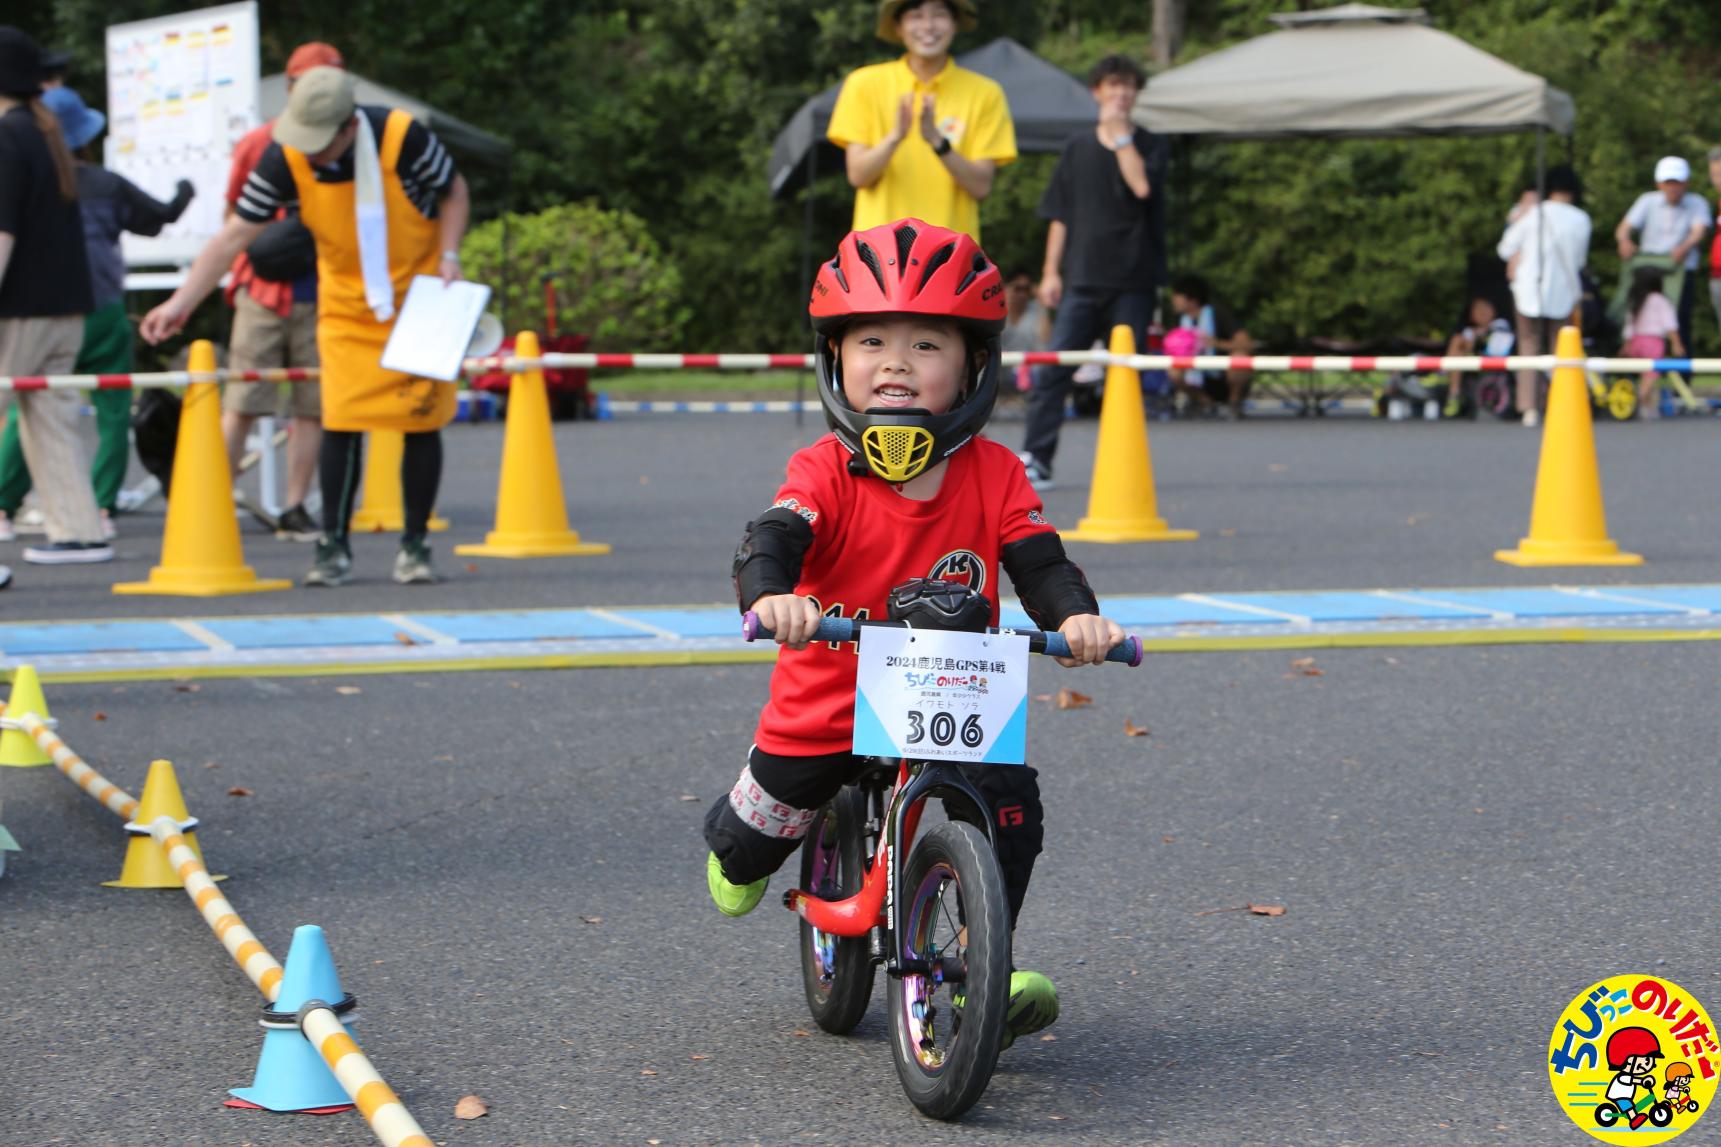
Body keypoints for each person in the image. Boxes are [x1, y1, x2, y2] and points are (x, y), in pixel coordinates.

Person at [703, 219, 1125, 1050]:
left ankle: (980, 967)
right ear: (836, 360)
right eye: (870, 341)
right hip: (827, 691)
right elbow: (775, 535)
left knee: (1011, 808)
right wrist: (773, 596)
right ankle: (738, 843)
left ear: (971, 365)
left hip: (953, 688)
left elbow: (1038, 561)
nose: (895, 362)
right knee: (752, 839)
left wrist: (1073, 615)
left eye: (925, 343)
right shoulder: (824, 466)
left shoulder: (995, 472)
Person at [141, 67, 470, 586]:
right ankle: (332, 547)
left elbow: (453, 191)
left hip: (420, 296)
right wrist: (181, 302)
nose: (311, 152)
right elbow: (233, 237)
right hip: (342, 303)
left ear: (348, 127)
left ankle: (415, 545)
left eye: (321, 143)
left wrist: (450, 255)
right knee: (339, 420)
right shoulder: (285, 155)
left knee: (420, 421)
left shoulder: (403, 137)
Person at [0, 86, 191, 544]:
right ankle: (100, 507)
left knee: (22, 408)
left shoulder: (28, 175)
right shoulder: (103, 182)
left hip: (36, 309)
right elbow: (159, 215)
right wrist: (186, 189)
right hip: (98, 308)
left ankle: (5, 502)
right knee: (107, 410)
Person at [1020, 54, 1166, 485]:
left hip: (1134, 281)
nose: (1121, 94)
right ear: (1096, 92)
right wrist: (1051, 271)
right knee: (1053, 370)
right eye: (1113, 85)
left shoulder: (1153, 143)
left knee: (1125, 377)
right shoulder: (1077, 147)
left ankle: (1124, 467)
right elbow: (1060, 214)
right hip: (1082, 279)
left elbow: (1141, 186)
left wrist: (1122, 139)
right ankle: (1038, 458)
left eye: (1129, 87)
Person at [0, 27, 114, 575]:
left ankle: (74, 530)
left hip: (20, 309)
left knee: (37, 417)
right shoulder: (46, 135)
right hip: (67, 306)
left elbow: (1, 232)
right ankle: (79, 530)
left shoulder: (6, 137)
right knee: (50, 419)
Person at [220, 41, 343, 542]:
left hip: (325, 289)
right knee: (244, 397)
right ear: (290, 87)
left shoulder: (351, 141)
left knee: (313, 404)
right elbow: (232, 212)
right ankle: (215, 497)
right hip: (264, 289)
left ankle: (295, 504)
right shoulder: (260, 143)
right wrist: (247, 262)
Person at [827, 0, 1016, 238]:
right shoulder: (863, 84)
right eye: (916, 16)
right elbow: (858, 175)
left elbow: (980, 186)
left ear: (955, 23)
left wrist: (937, 141)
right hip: (876, 252)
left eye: (939, 15)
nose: (928, 26)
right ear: (898, 26)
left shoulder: (985, 92)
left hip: (951, 254)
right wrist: (896, 136)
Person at [1497, 164, 1591, 428]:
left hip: (1528, 289)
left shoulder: (1533, 214)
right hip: (1564, 291)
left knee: (1529, 346)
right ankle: (1562, 405)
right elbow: (1580, 260)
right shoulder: (1581, 219)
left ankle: (1529, 408)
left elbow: (1505, 249)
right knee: (1562, 350)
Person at [1615, 156, 1707, 373]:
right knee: (1635, 320)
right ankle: (1631, 375)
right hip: (1648, 273)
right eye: (1669, 182)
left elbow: (1698, 230)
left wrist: (1685, 246)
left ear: (1686, 183)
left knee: (1679, 324)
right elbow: (1623, 228)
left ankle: (1682, 380)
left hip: (1679, 271)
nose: (1673, 187)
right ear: (1659, 183)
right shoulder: (1647, 200)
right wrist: (1624, 241)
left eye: (1678, 182)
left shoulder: (1696, 203)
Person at [1167, 274, 1253, 419]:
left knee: (1240, 357)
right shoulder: (1181, 320)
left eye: (1177, 295)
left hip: (1224, 376)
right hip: (1197, 377)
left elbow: (1246, 343)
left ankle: (1234, 403)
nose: (1173, 299)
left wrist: (1215, 343)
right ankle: (1204, 402)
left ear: (1192, 299)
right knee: (1173, 367)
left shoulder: (1218, 313)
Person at [1621, 265, 1682, 420]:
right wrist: (1676, 343)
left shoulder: (1637, 301)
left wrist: (1627, 345)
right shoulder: (1660, 300)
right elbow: (1669, 324)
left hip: (1636, 341)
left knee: (1644, 375)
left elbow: (1630, 325)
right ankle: (1639, 402)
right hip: (1653, 342)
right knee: (1650, 375)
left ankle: (1648, 405)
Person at [1441, 294, 1514, 418]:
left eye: (1485, 308)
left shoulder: (1500, 325)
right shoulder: (1469, 331)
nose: (1482, 313)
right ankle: (1451, 387)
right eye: (1477, 310)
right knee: (1458, 343)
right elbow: (1468, 346)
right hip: (1476, 358)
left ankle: (1445, 374)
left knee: (1459, 345)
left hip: (1497, 358)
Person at [999, 269, 1049, 394]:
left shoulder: (1037, 310)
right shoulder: (996, 311)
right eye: (1017, 288)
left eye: (1027, 289)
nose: (1022, 294)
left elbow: (1046, 340)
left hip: (1032, 374)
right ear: (1006, 288)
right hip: (1002, 371)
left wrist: (1042, 303)